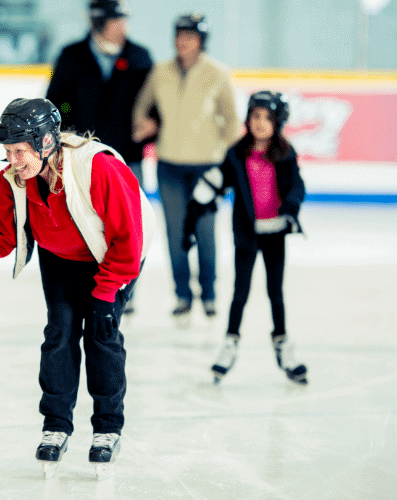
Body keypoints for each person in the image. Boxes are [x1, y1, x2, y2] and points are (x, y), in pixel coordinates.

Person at [0, 98, 154, 479]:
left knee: (101, 335)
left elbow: (129, 241)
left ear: (46, 142)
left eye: (20, 151)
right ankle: (57, 424)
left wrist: (106, 293)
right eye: (7, 152)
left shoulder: (98, 168)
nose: (13, 160)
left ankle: (107, 428)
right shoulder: (14, 180)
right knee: (60, 332)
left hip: (112, 257)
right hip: (61, 258)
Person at [186, 91, 308, 385]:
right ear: (247, 119)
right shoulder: (236, 153)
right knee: (239, 293)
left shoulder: (286, 153)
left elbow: (296, 185)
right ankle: (230, 342)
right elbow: (219, 179)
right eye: (256, 116)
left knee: (275, 294)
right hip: (247, 234)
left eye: (268, 117)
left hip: (275, 232)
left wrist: (291, 207)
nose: (261, 123)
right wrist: (197, 206)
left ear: (279, 121)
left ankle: (282, 342)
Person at [132, 12, 241, 325]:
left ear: (201, 41)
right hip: (169, 165)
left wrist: (227, 157)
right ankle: (182, 294)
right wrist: (144, 124)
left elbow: (231, 119)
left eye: (190, 36)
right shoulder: (160, 71)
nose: (183, 41)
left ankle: (208, 293)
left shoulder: (217, 73)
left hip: (207, 167)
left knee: (205, 232)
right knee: (176, 233)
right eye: (179, 35)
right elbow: (143, 105)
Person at [46, 0, 152, 187]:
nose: (123, 26)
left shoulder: (139, 57)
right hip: (81, 155)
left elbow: (153, 102)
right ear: (99, 22)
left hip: (127, 157)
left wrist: (151, 123)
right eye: (116, 20)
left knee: (128, 214)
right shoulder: (71, 56)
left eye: (124, 20)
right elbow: (59, 101)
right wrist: (69, 126)